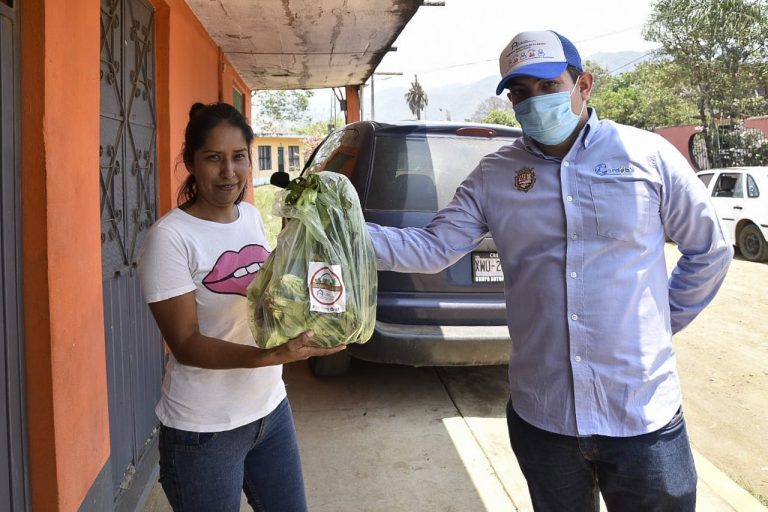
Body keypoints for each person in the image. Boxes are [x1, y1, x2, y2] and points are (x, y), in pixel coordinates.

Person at [366, 30, 732, 511]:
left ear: (585, 85)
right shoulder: (494, 174)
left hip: (642, 417)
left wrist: (662, 322)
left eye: (548, 86)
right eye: (519, 92)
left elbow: (709, 249)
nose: (533, 102)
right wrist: (335, 234)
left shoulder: (647, 155)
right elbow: (431, 247)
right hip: (545, 419)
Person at [138, 102, 345, 512]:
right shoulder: (170, 238)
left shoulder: (250, 216)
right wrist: (270, 355)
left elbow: (264, 303)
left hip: (270, 410)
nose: (228, 172)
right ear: (191, 162)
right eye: (213, 158)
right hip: (204, 431)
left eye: (238, 157)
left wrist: (314, 309)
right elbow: (186, 343)